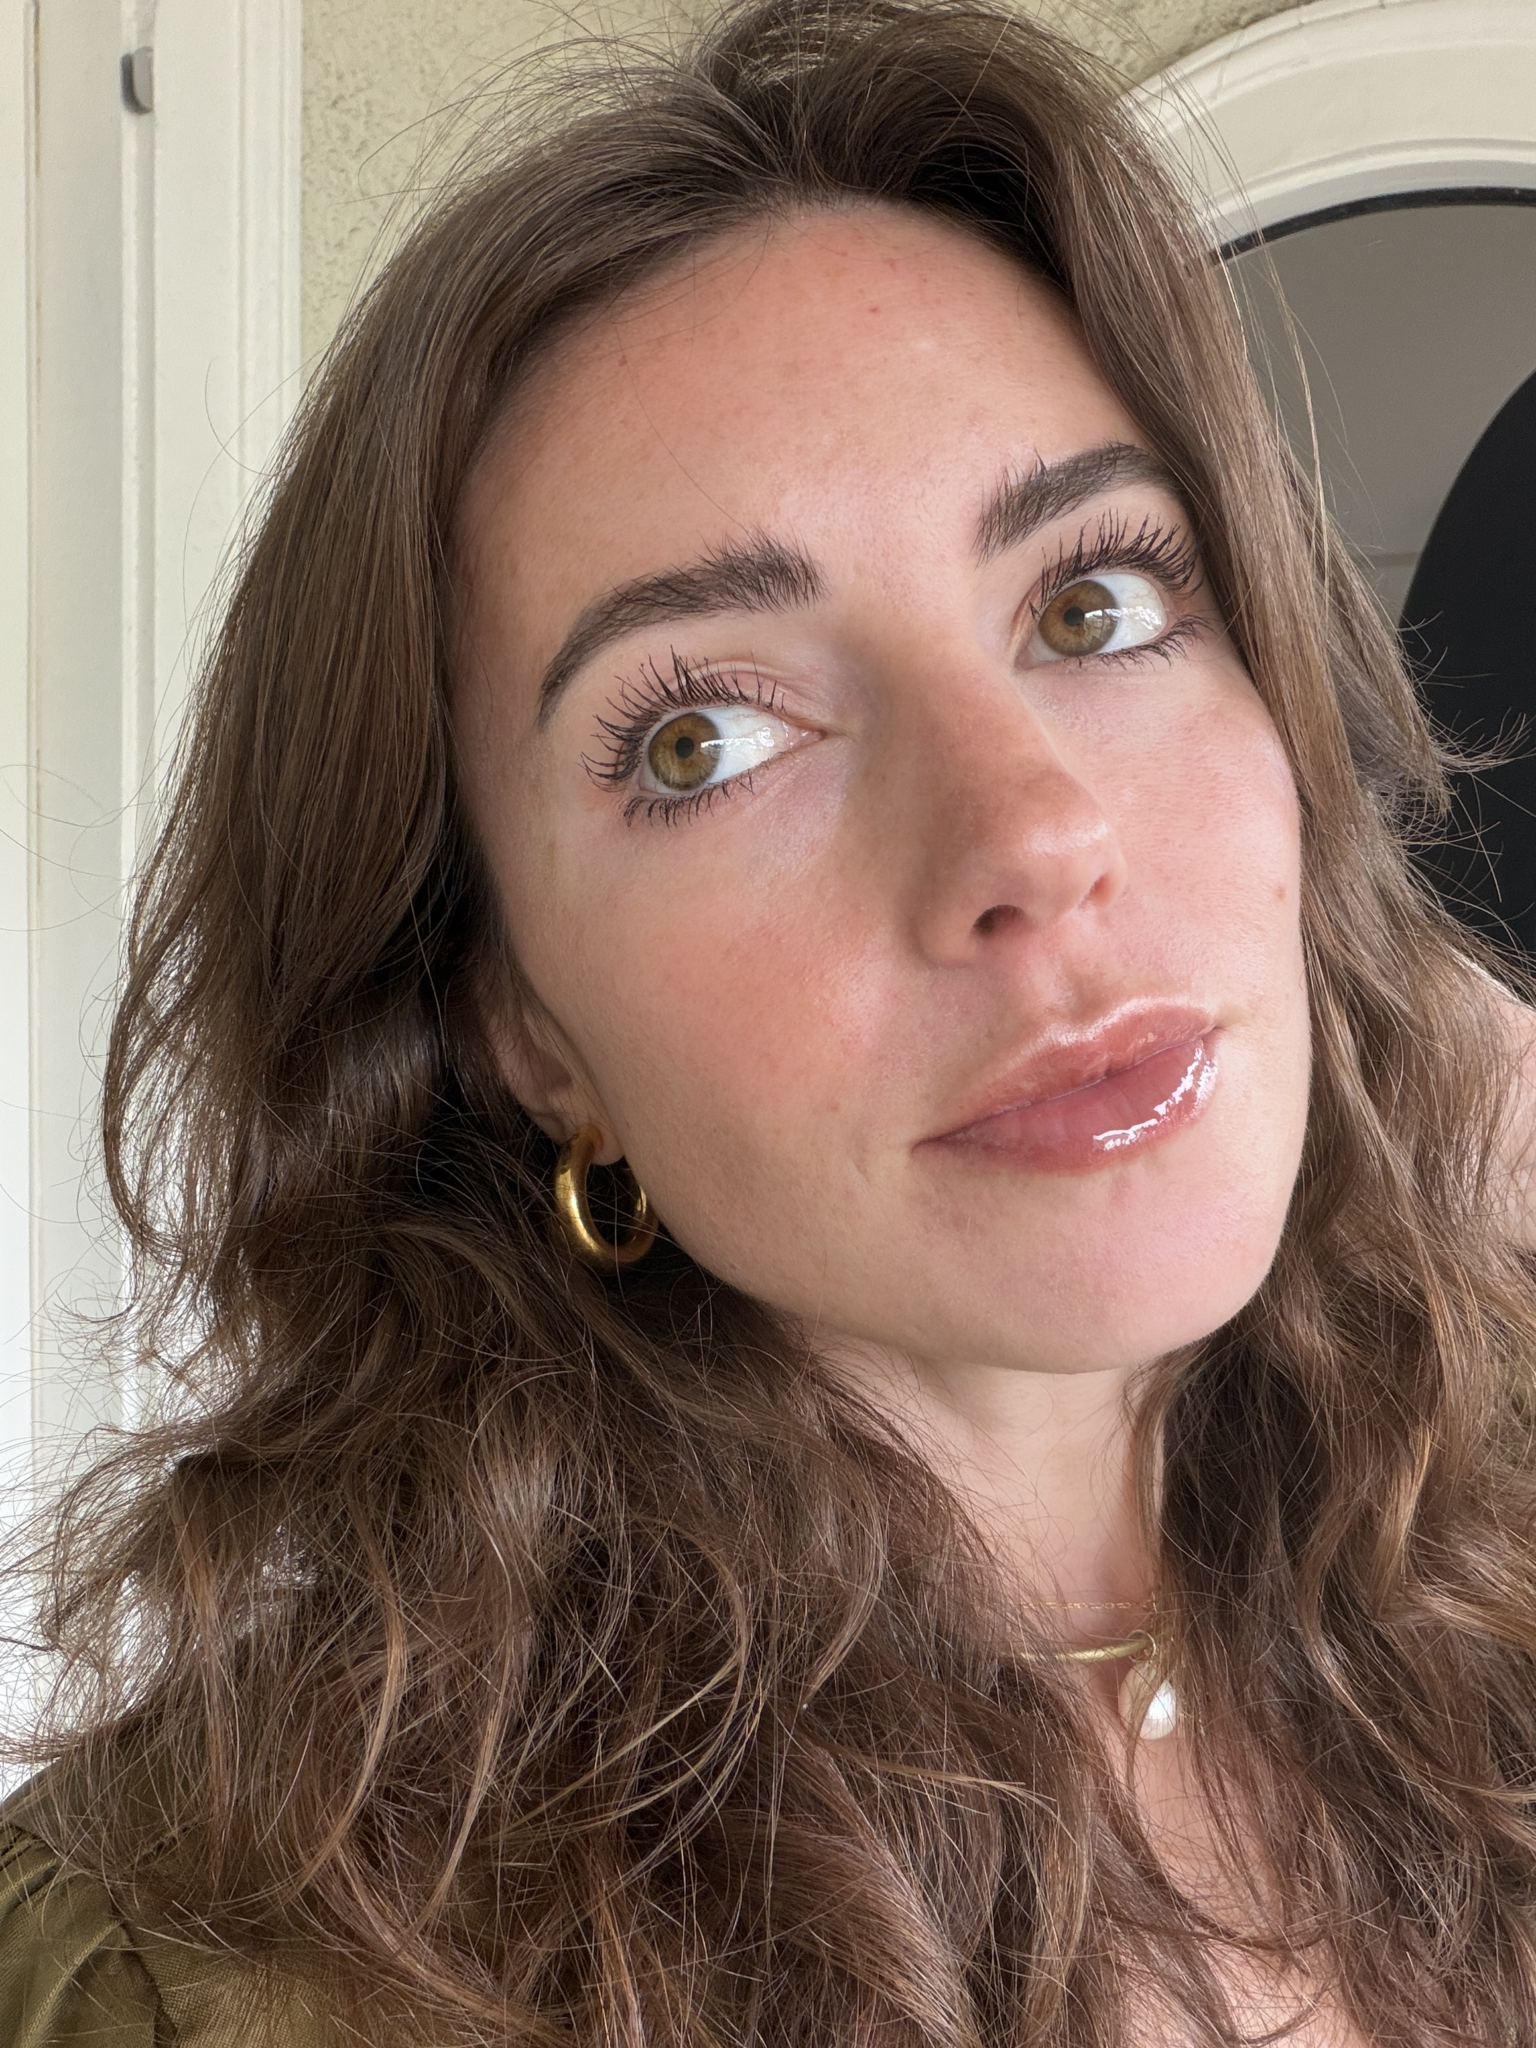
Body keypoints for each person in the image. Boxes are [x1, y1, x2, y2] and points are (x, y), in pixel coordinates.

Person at [5, 1, 1536, 2041]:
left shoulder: (1480, 1569)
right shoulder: (191, 1967)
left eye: (1094, 604)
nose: (1034, 834)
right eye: (707, 735)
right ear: (525, 1026)